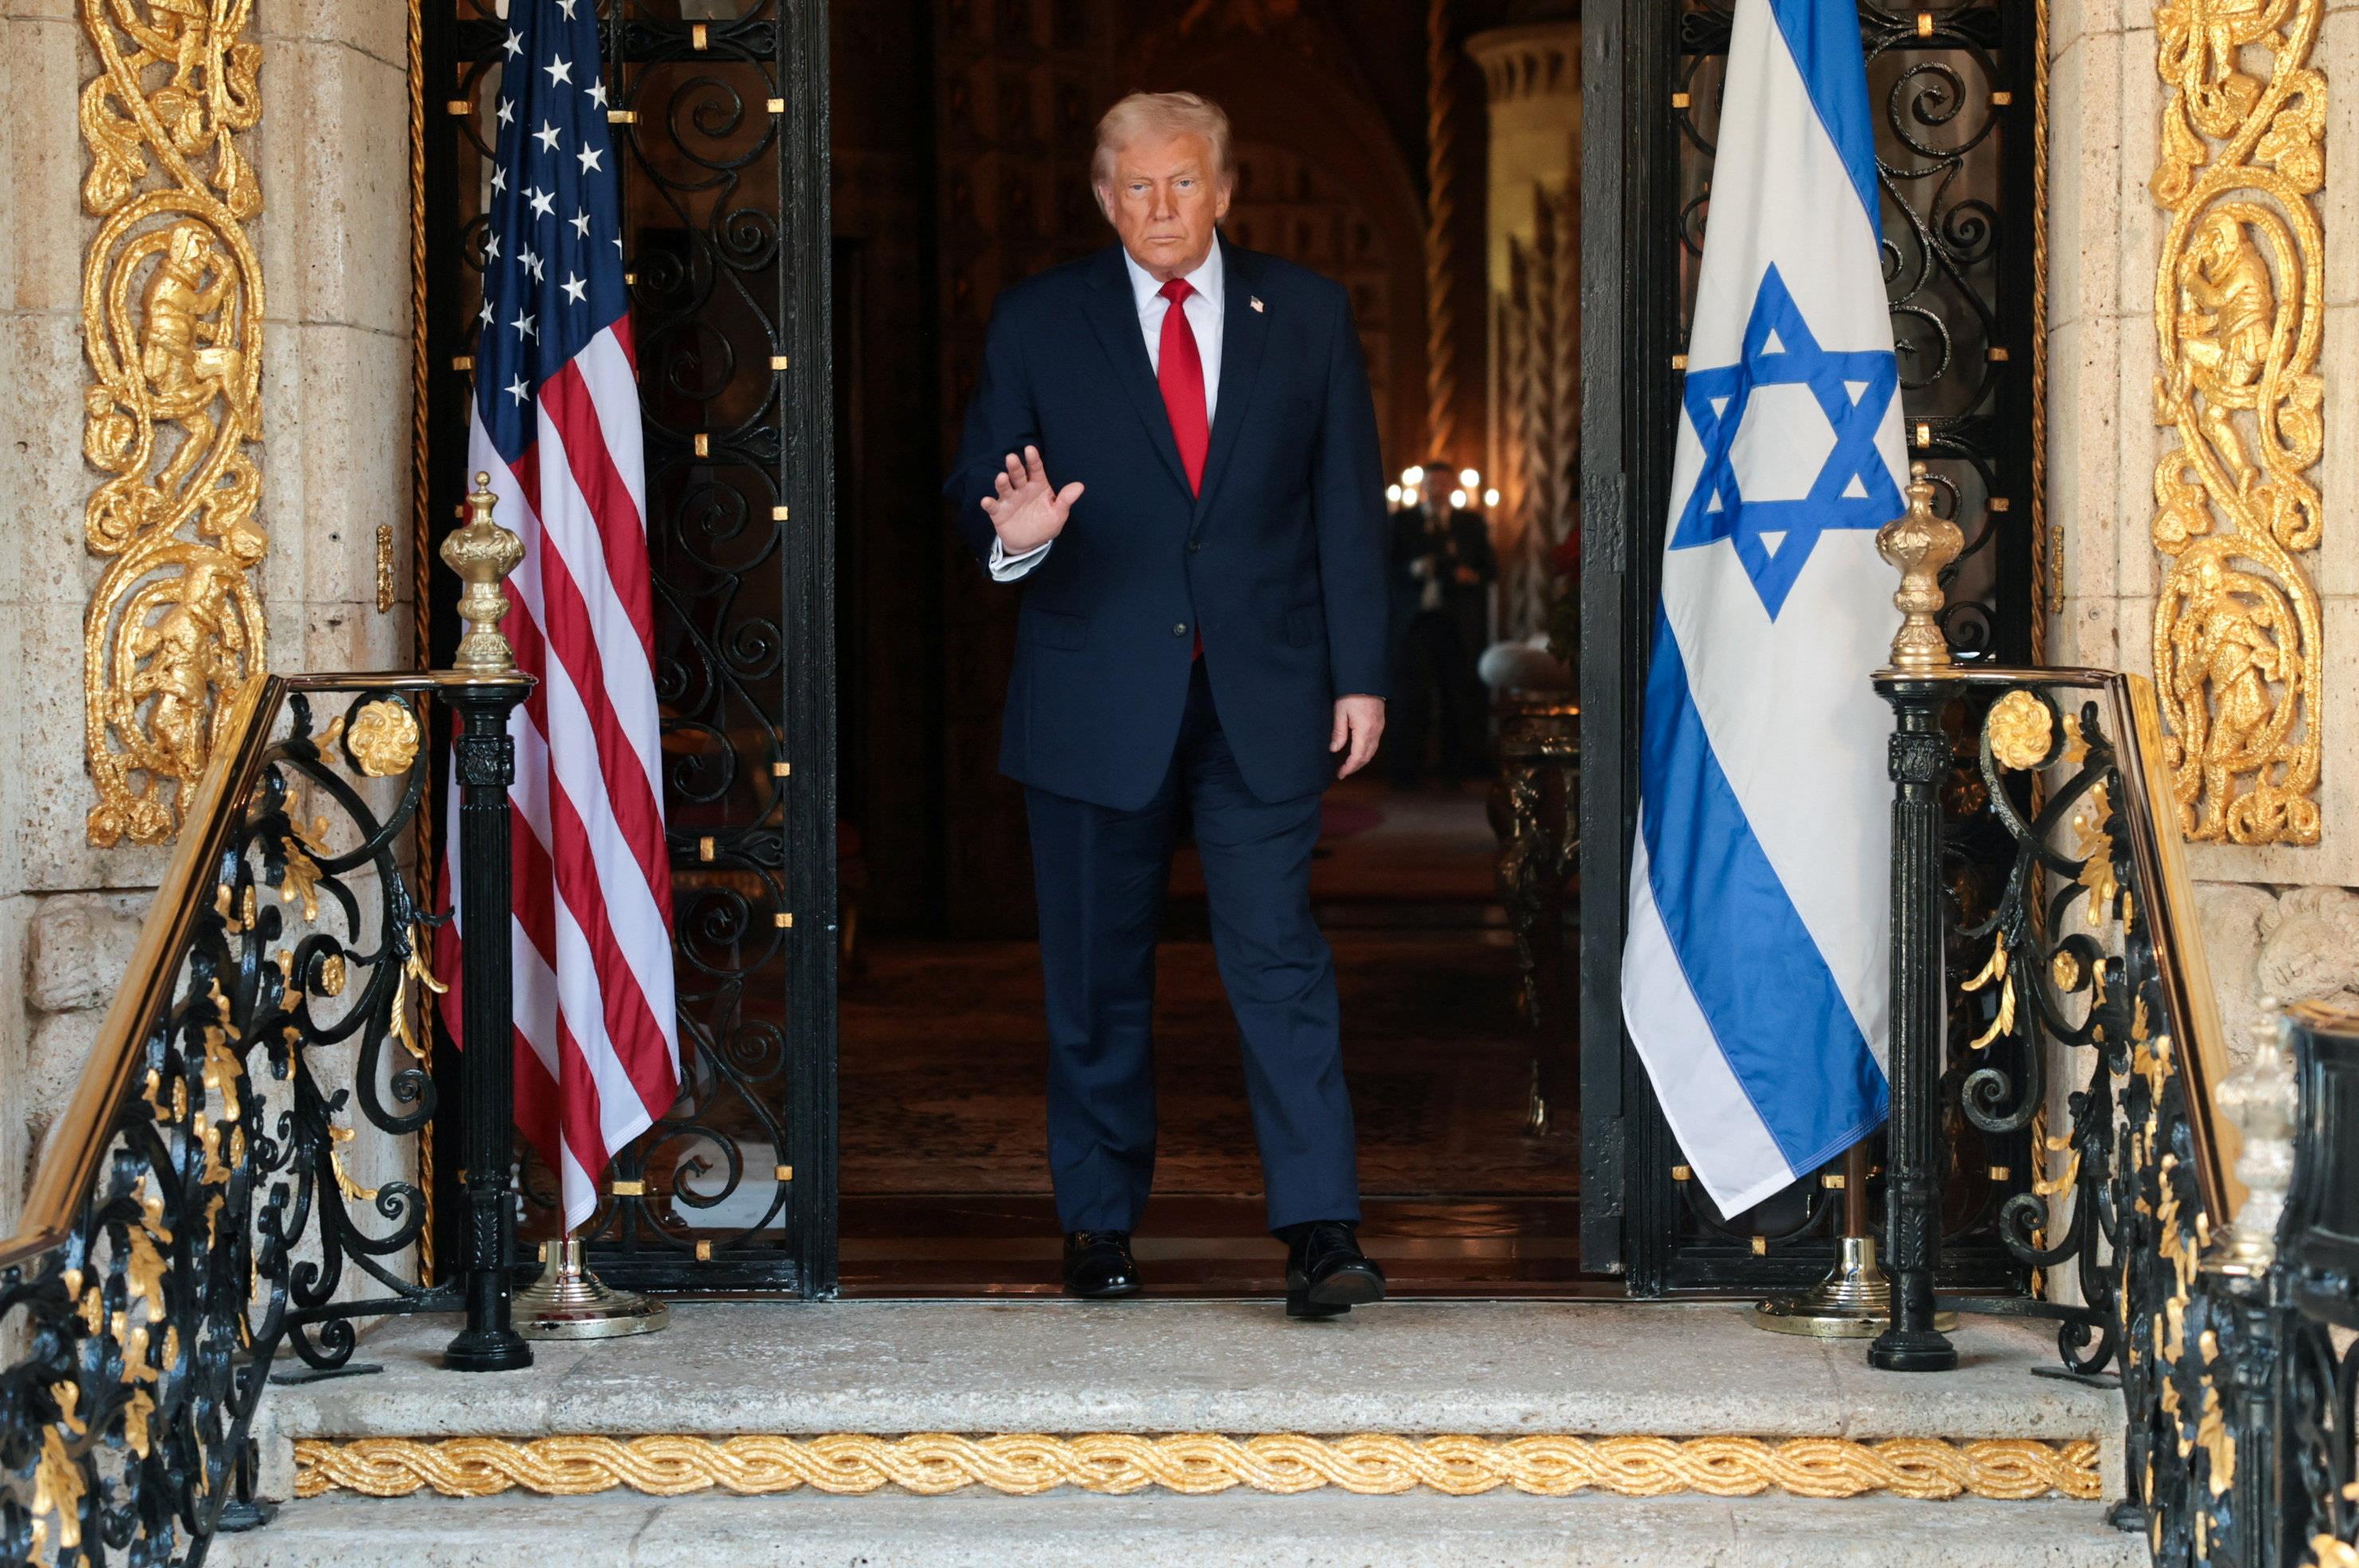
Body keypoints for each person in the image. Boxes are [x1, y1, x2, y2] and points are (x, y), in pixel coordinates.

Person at [942, 91, 1390, 1319]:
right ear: (1103, 198)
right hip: (1093, 696)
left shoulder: (1307, 312)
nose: (1159, 206)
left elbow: (1345, 502)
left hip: (1265, 695)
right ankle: (1098, 1225)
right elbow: (979, 480)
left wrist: (1361, 674)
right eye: (1134, 185)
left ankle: (1321, 1230)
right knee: (1095, 975)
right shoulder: (1040, 320)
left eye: (1182, 182)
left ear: (1224, 190)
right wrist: (1015, 532)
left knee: (1279, 958)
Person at [1386, 467, 1497, 786]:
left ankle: (1455, 771)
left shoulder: (1470, 523)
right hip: (1414, 623)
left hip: (1455, 623)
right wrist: (1412, 569)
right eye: (1432, 483)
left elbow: (1490, 569)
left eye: (1443, 482)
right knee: (1411, 698)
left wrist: (1468, 575)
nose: (1438, 488)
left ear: (1453, 486)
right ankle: (1406, 773)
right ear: (1423, 486)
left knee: (1457, 696)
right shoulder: (1402, 521)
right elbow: (1384, 566)